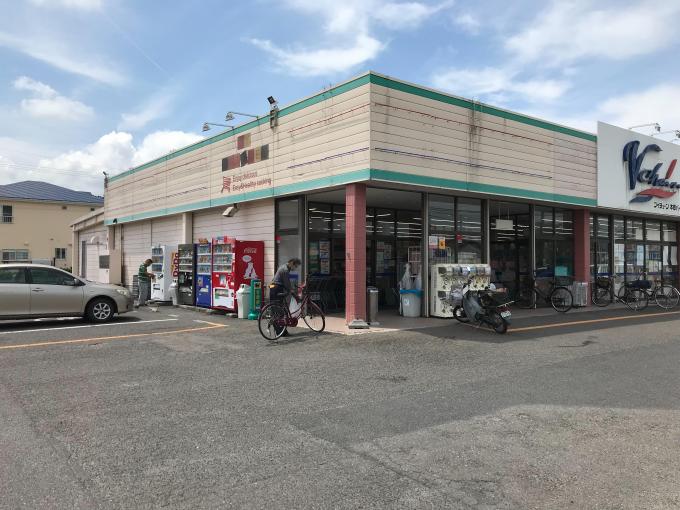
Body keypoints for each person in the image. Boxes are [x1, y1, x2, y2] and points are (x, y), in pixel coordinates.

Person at [270, 258, 301, 336]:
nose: (295, 268)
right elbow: (287, 284)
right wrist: (294, 294)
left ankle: (281, 331)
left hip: (274, 287)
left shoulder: (284, 267)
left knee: (277, 310)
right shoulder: (285, 270)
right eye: (295, 266)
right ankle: (281, 332)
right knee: (280, 310)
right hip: (276, 288)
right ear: (292, 263)